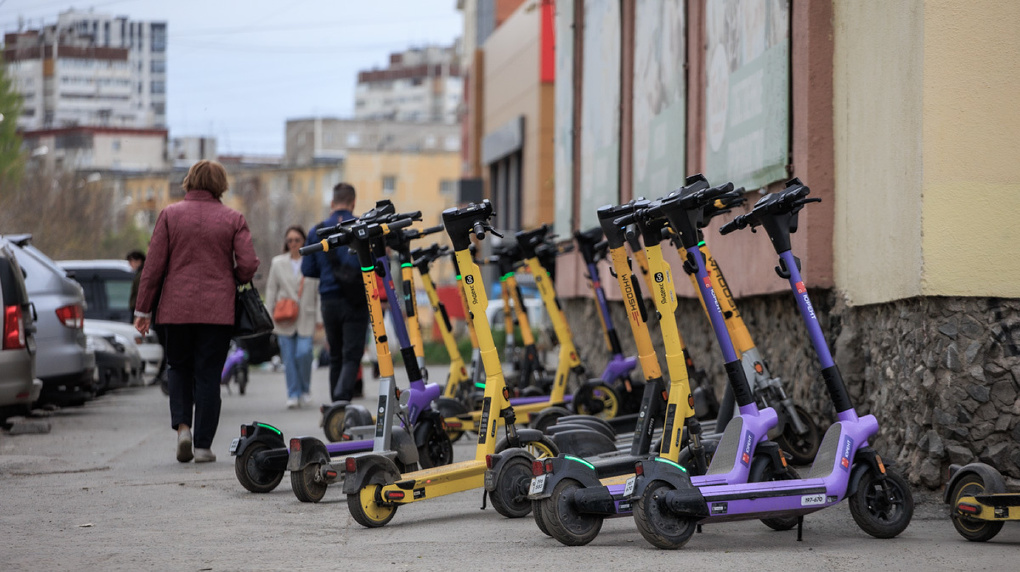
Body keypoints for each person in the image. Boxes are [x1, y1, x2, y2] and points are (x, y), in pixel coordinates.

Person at [134, 160, 259, 464]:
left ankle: (183, 430)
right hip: (217, 311)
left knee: (178, 368)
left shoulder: (169, 215)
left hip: (175, 309)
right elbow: (248, 264)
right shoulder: (233, 218)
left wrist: (143, 309)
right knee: (208, 375)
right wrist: (233, 278)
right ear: (221, 185)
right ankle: (203, 446)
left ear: (189, 181)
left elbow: (153, 266)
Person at [302, 183, 368, 403]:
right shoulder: (362, 226)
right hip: (356, 300)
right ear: (353, 203)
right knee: (352, 355)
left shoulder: (317, 231)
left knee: (336, 355)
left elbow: (308, 270)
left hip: (329, 300)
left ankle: (335, 410)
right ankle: (342, 400)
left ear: (332, 203)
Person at [265, 225, 320, 409]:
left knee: (304, 353)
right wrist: (267, 316)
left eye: (297, 240)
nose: (293, 244)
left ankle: (305, 389)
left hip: (307, 315)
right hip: (283, 317)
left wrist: (320, 318)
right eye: (290, 241)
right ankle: (293, 393)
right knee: (288, 358)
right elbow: (272, 289)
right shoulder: (277, 263)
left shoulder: (312, 261)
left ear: (304, 241)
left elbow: (318, 292)